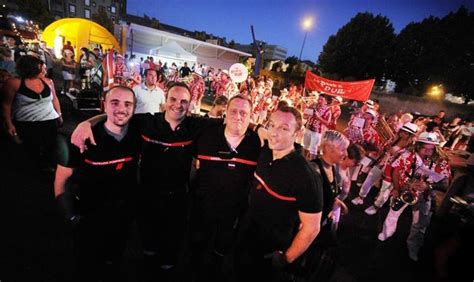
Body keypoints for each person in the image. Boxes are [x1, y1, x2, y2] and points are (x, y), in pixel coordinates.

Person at [70, 82, 221, 281]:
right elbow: (114, 117)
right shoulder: (146, 122)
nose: (178, 105)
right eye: (173, 99)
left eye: (184, 101)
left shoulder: (196, 125)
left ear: (190, 103)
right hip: (146, 195)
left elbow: (228, 124)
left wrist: (260, 129)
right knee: (148, 245)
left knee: (171, 248)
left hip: (177, 197)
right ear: (164, 101)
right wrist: (87, 123)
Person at [54, 86, 140, 282]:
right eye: (114, 103)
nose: (121, 109)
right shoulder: (78, 138)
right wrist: (70, 218)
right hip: (88, 218)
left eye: (128, 104)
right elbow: (61, 182)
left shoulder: (138, 133)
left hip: (122, 217)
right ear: (104, 105)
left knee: (113, 263)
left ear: (134, 109)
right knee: (86, 267)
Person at [234, 106, 323, 282]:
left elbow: (312, 228)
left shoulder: (305, 176)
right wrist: (255, 126)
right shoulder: (267, 150)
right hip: (245, 236)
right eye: (272, 125)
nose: (274, 133)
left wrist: (286, 258)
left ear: (297, 133)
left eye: (284, 128)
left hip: (269, 251)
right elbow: (261, 130)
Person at [190, 95, 261, 281]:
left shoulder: (258, 145)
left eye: (244, 113)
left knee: (220, 254)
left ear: (250, 116)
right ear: (225, 113)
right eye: (234, 111)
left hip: (233, 213)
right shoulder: (206, 136)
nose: (238, 116)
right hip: (202, 207)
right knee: (197, 249)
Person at [377, 132, 451, 262]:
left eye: (431, 149)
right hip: (404, 189)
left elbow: (445, 184)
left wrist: (427, 186)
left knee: (420, 223)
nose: (428, 152)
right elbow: (395, 171)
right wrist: (396, 188)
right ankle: (386, 233)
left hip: (425, 195)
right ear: (417, 146)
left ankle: (413, 246)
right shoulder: (406, 154)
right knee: (393, 212)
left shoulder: (441, 162)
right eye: (424, 148)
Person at [2, 55, 62, 170]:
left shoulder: (48, 81)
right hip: (27, 123)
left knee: (50, 148)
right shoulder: (14, 83)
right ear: (30, 68)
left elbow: (54, 99)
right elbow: (6, 105)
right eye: (41, 68)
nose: (45, 70)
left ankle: (49, 172)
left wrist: (59, 115)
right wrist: (9, 124)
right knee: (31, 152)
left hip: (49, 121)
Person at [351, 122, 418, 209]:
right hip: (381, 164)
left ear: (410, 136)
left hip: (392, 170)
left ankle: (376, 206)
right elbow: (382, 151)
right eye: (402, 131)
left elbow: (405, 161)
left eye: (406, 133)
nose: (402, 134)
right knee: (368, 180)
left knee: (385, 189)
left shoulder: (410, 148)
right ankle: (361, 197)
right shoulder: (393, 140)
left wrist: (395, 154)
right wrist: (383, 149)